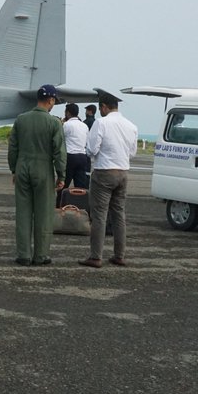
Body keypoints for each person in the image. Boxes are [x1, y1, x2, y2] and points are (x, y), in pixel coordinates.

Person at [8, 84, 66, 265]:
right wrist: (61, 175)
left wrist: (14, 169)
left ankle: (23, 254)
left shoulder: (21, 119)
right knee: (44, 213)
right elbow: (59, 152)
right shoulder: (54, 122)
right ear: (50, 100)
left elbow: (13, 147)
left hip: (23, 166)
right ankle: (41, 255)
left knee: (23, 213)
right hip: (43, 169)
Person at [80, 91, 139, 268]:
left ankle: (96, 256)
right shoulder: (131, 125)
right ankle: (119, 255)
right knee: (119, 214)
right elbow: (132, 152)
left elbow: (92, 149)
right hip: (123, 172)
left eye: (101, 108)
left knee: (99, 215)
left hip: (104, 171)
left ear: (104, 107)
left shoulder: (101, 123)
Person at [62, 103, 89, 188]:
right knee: (80, 186)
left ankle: (61, 201)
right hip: (82, 156)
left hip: (70, 156)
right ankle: (79, 201)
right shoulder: (84, 126)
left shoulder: (66, 125)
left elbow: (61, 139)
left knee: (64, 185)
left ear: (68, 113)